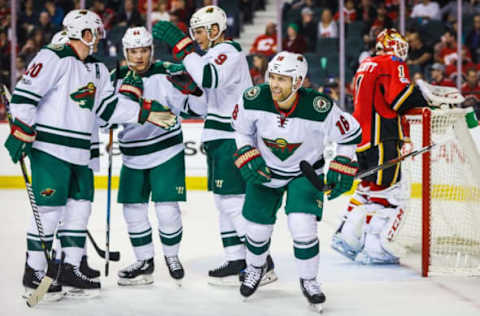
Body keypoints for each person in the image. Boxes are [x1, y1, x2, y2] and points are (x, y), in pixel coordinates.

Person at [4, 9, 177, 299]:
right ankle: (33, 270)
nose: (98, 39)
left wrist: (145, 113)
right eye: (95, 33)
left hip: (81, 152)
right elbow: (24, 96)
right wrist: (21, 131)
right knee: (48, 212)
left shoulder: (96, 68)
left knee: (79, 210)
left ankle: (71, 267)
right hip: (51, 149)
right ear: (85, 33)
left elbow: (109, 108)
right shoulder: (53, 56)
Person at [152, 5, 277, 286]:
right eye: (192, 33)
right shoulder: (211, 55)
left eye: (198, 31)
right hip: (218, 137)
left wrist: (181, 46)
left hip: (231, 138)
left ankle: (262, 263)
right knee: (224, 203)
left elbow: (209, 77)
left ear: (214, 29)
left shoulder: (228, 53)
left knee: (234, 202)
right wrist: (188, 89)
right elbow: (204, 101)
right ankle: (236, 259)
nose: (195, 37)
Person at [232, 51, 361, 312]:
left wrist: (343, 160)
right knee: (256, 230)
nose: (275, 84)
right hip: (266, 171)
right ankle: (256, 269)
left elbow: (351, 134)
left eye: (282, 79)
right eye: (273, 77)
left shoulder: (319, 107)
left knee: (302, 226)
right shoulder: (254, 99)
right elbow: (241, 131)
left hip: (304, 173)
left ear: (298, 81)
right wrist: (247, 151)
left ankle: (309, 280)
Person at [113, 26, 206, 286]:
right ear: (125, 52)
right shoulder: (115, 78)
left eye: (143, 50)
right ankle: (144, 261)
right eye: (133, 51)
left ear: (151, 50)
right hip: (132, 155)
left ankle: (172, 256)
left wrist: (195, 92)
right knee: (133, 210)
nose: (139, 56)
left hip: (167, 150)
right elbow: (102, 114)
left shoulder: (168, 72)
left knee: (167, 209)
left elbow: (198, 108)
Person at [331, 28, 429, 265]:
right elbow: (399, 98)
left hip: (362, 139)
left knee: (367, 190)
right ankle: (376, 249)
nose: (403, 51)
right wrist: (428, 102)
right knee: (390, 195)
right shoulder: (392, 62)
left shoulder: (366, 63)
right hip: (381, 138)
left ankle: (348, 238)